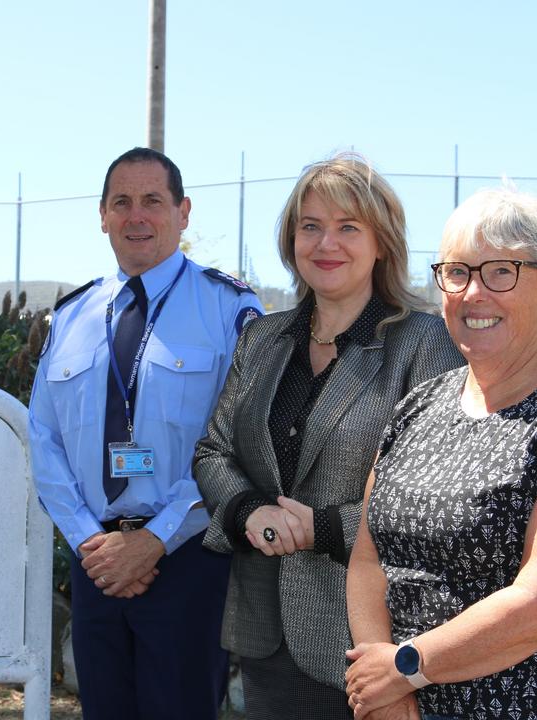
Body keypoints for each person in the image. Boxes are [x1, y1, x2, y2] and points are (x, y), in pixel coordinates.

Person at [345, 188, 537, 720]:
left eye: (501, 272)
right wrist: (387, 693)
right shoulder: (421, 404)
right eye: (458, 271)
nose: (473, 293)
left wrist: (402, 668)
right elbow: (368, 558)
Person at [192, 153, 464, 720]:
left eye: (348, 227)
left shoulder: (421, 343)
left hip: (375, 638)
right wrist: (248, 513)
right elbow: (214, 450)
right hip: (265, 629)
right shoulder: (263, 339)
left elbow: (430, 493)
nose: (326, 243)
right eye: (310, 226)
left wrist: (321, 529)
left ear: (381, 242)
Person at [28, 147, 264, 719]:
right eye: (122, 202)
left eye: (153, 201)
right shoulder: (71, 317)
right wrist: (91, 543)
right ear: (102, 215)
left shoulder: (228, 308)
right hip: (97, 564)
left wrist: (154, 539)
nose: (137, 216)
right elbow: (43, 438)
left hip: (188, 558)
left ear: (183, 212)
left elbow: (237, 442)